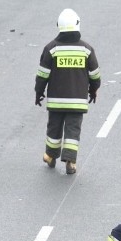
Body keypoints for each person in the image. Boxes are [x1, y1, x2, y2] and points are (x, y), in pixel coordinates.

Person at [35, 9, 101, 175]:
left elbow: (43, 74)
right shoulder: (86, 50)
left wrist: (39, 92)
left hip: (56, 101)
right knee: (73, 131)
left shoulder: (51, 49)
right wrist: (93, 90)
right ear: (78, 24)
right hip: (77, 101)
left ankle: (50, 156)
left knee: (54, 129)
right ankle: (71, 161)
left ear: (59, 26)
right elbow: (95, 75)